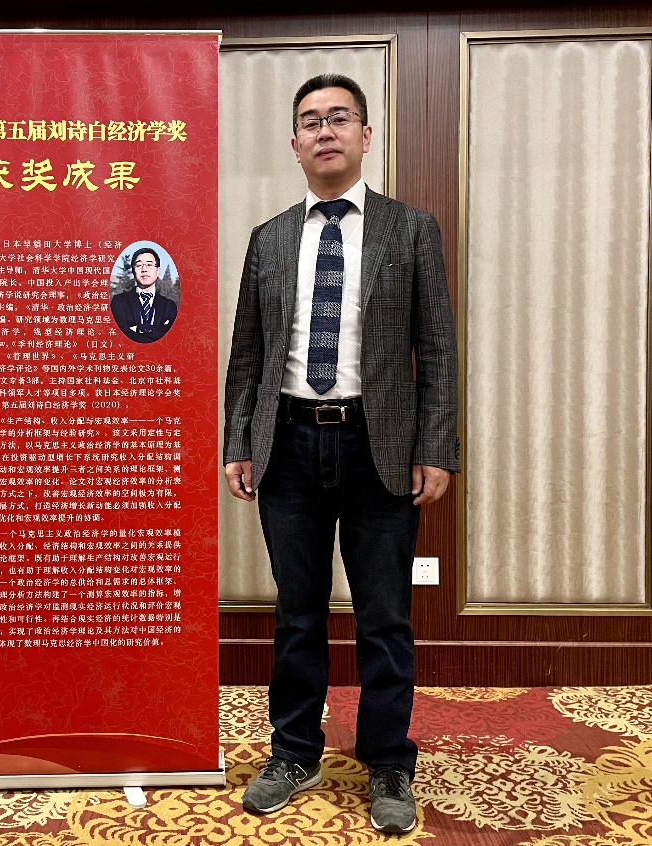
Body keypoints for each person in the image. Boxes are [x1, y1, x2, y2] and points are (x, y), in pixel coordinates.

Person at [223, 73, 459, 834]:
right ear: (294, 144)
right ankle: (294, 752)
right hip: (288, 444)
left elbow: (437, 348)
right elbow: (248, 353)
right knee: (297, 615)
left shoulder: (410, 229)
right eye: (310, 121)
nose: (324, 131)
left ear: (364, 135)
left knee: (384, 618)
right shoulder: (268, 238)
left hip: (377, 445)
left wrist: (437, 447)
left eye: (338, 117)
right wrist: (239, 441)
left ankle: (389, 760)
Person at [110, 246, 178, 343]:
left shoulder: (169, 306)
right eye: (139, 265)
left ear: (158, 271)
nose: (144, 269)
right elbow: (123, 333)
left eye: (149, 265)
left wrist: (138, 329)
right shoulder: (120, 302)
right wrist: (156, 331)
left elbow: (170, 337)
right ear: (133, 271)